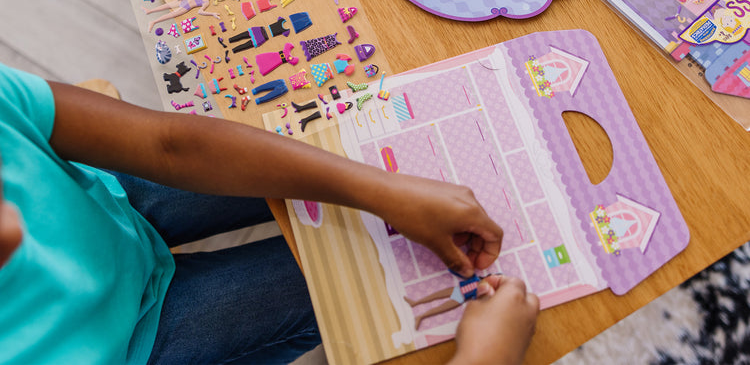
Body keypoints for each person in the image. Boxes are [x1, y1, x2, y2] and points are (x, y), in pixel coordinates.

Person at [0, 62, 539, 364]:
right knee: (374, 289)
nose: (14, 227)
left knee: (342, 155)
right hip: (139, 352)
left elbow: (170, 145)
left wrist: (382, 188)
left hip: (111, 214)